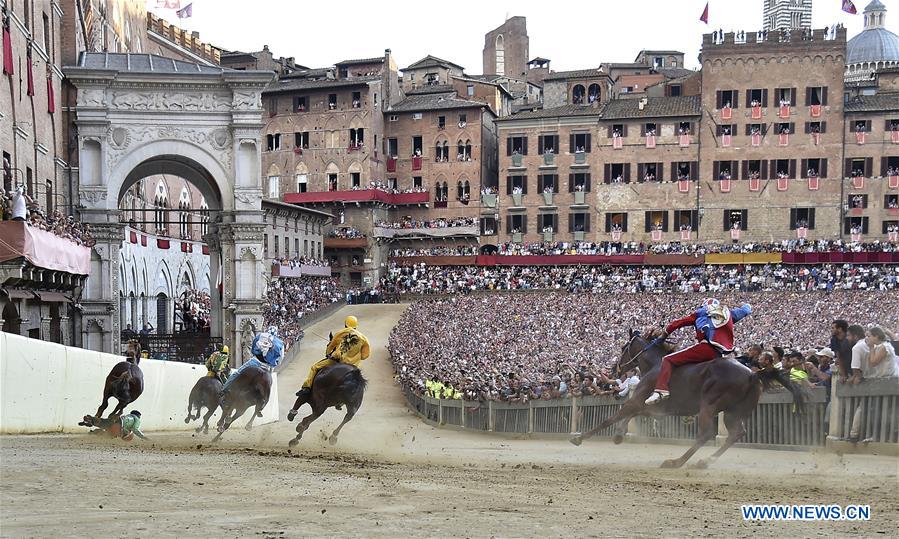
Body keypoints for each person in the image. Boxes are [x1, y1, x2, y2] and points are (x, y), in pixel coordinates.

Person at [645, 298, 752, 404]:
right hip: (719, 353)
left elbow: (677, 323)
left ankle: (661, 390)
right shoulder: (728, 313)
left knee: (668, 359)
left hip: (705, 348)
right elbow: (746, 310)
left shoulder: (701, 312)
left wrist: (663, 336)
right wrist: (744, 304)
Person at [295, 315, 370, 403]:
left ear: (345, 324)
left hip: (337, 361)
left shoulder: (340, 333)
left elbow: (330, 346)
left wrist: (328, 354)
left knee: (314, 367)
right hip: (352, 365)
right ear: (356, 326)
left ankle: (306, 387)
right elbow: (365, 355)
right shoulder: (363, 338)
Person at [221, 326, 284, 395]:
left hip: (256, 361)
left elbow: (253, 349)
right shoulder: (280, 343)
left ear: (267, 331)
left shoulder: (260, 336)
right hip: (268, 367)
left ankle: (223, 390)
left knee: (237, 373)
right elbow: (280, 359)